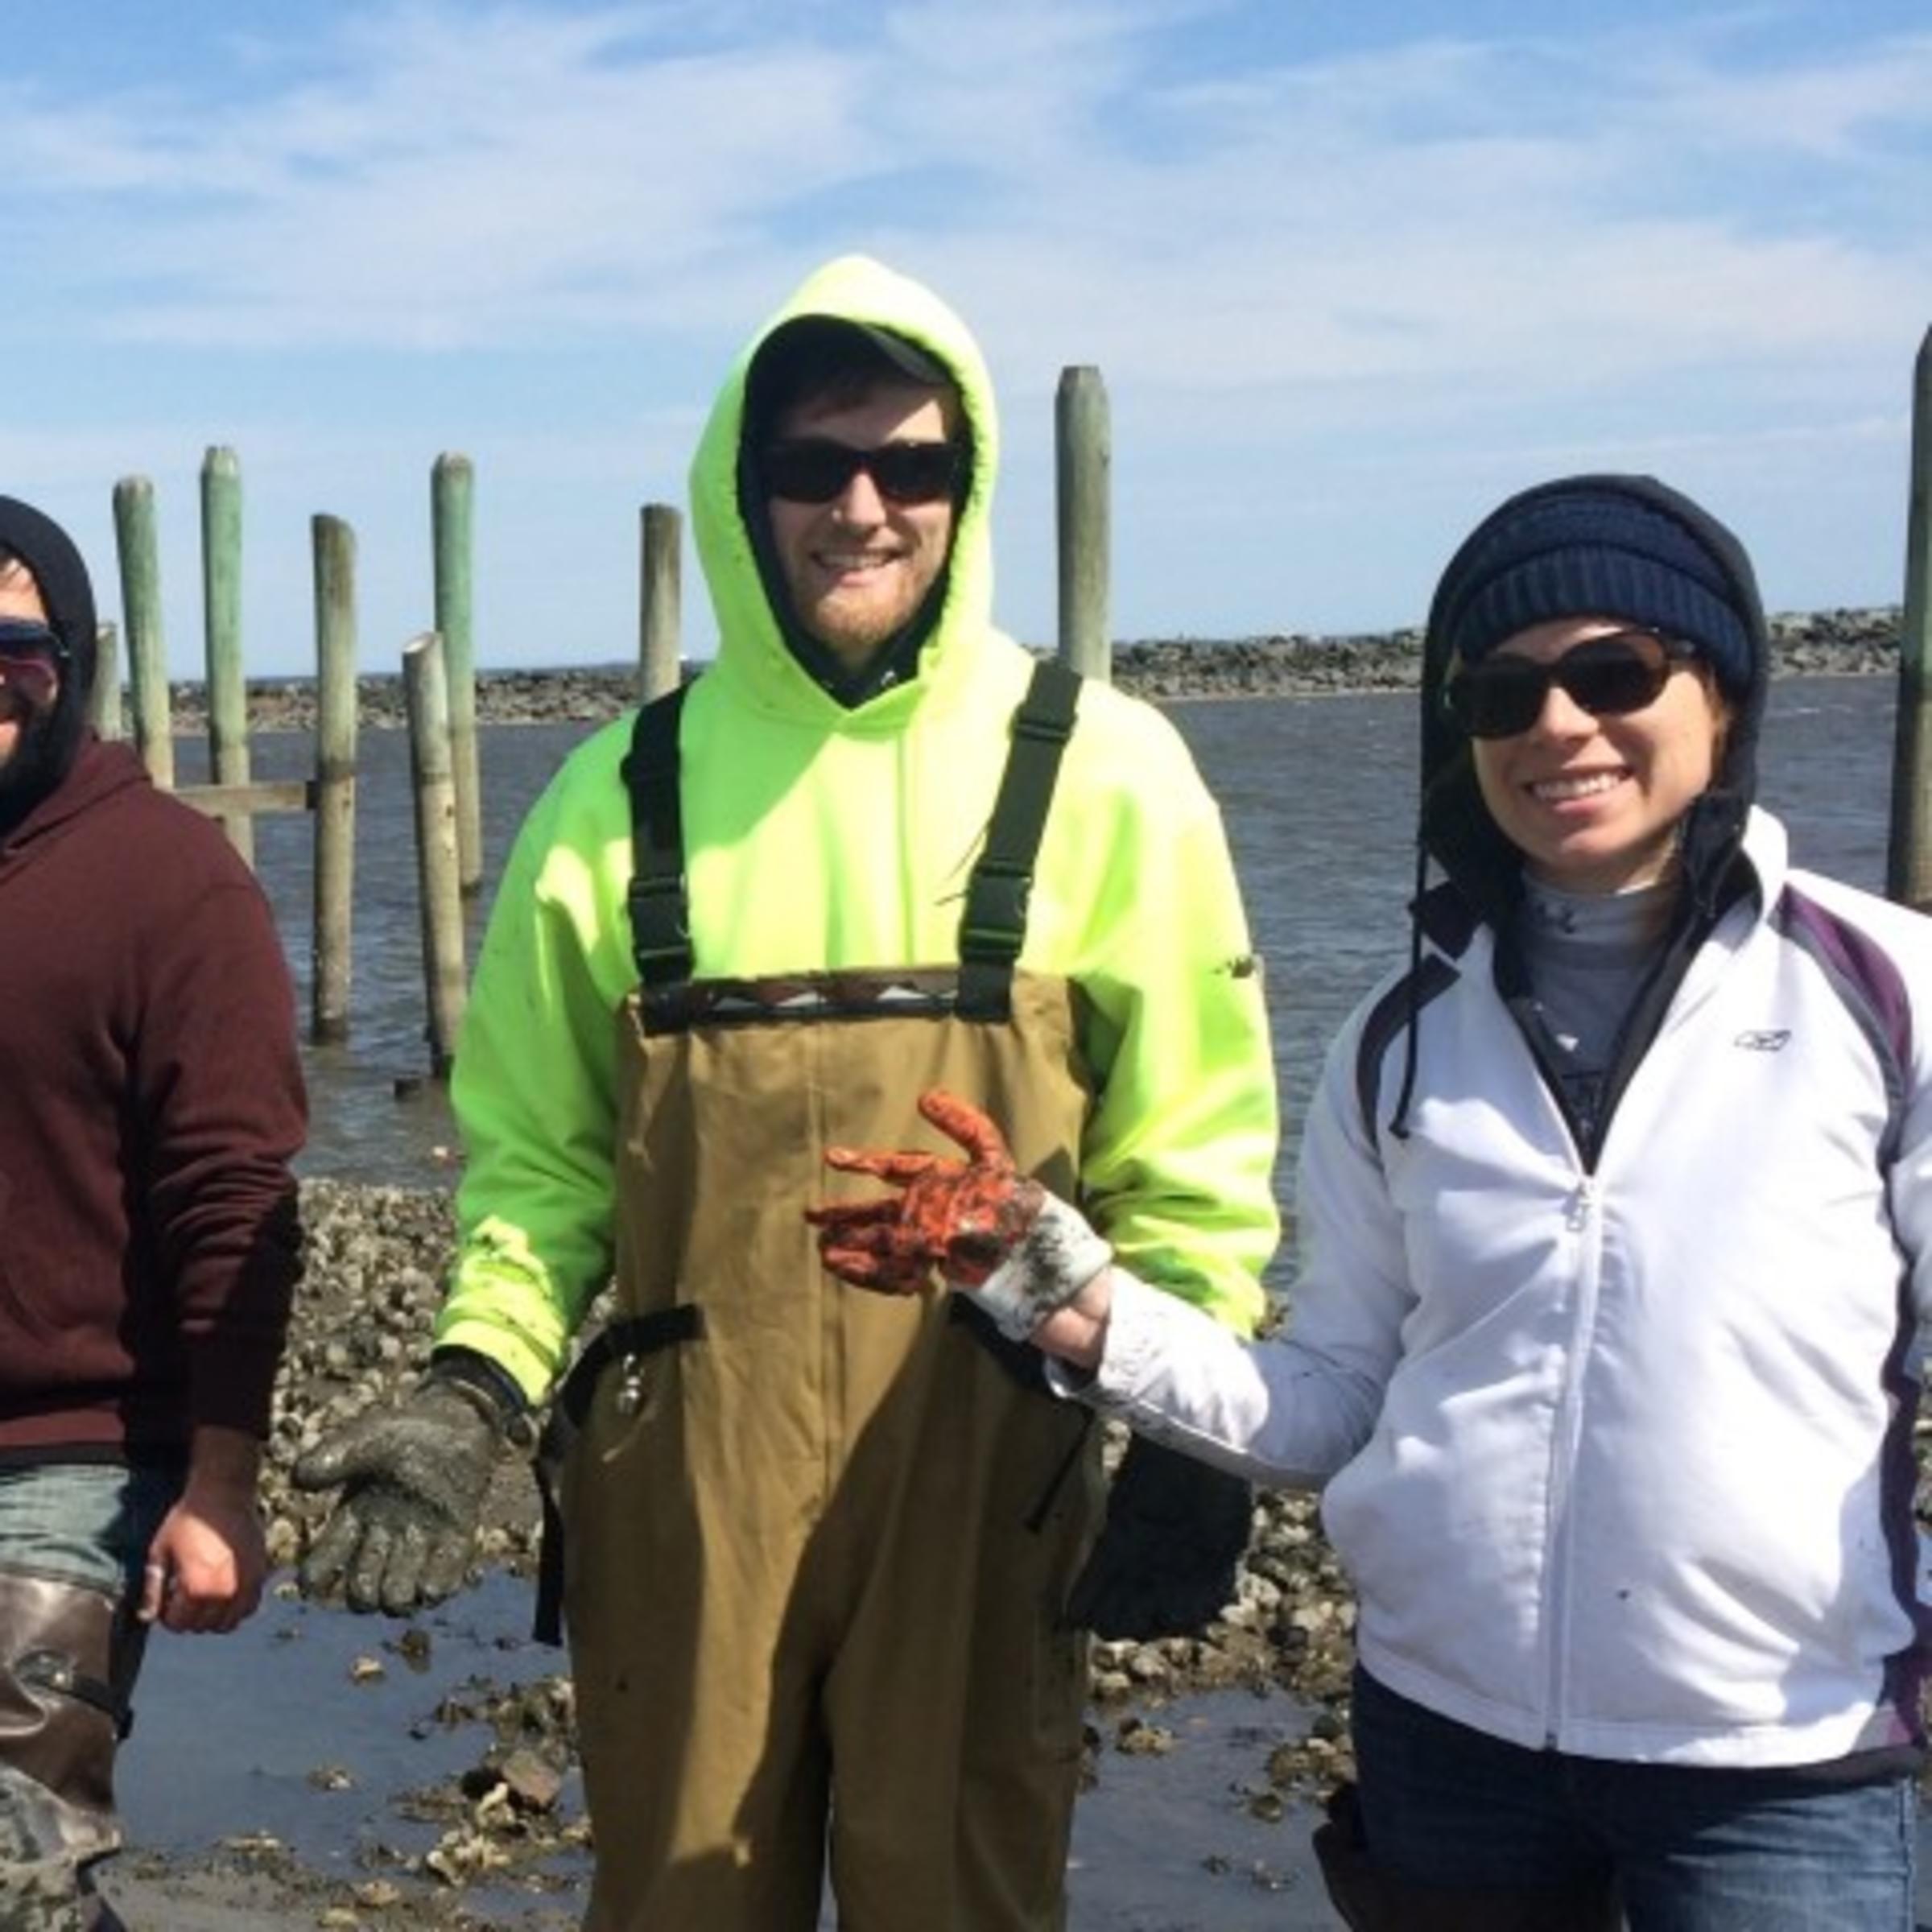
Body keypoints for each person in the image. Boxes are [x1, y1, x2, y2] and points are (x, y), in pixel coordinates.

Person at [292, 254, 1279, 1929]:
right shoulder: (615, 797)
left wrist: (1195, 1433)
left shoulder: (1111, 773)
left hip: (994, 1472)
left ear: (968, 493)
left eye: (912, 466)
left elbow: (1195, 1157)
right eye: (814, 466)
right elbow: (538, 1175)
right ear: (741, 493)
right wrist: (473, 1390)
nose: (863, 508)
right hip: (685, 1491)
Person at [812, 475, 1932, 1932]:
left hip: (1784, 1766)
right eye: (1503, 695)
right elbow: (1333, 1399)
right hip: (1447, 1738)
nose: (1559, 728)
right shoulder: (1398, 1042)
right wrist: (1059, 1290)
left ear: (1719, 696)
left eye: (1614, 674)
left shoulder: (1886, 995)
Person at [0, 495, 306, 1930]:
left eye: (14, 658)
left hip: (77, 1453)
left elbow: (236, 1198)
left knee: (15, 1865)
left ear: (74, 665)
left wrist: (222, 1484)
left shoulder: (175, 886)